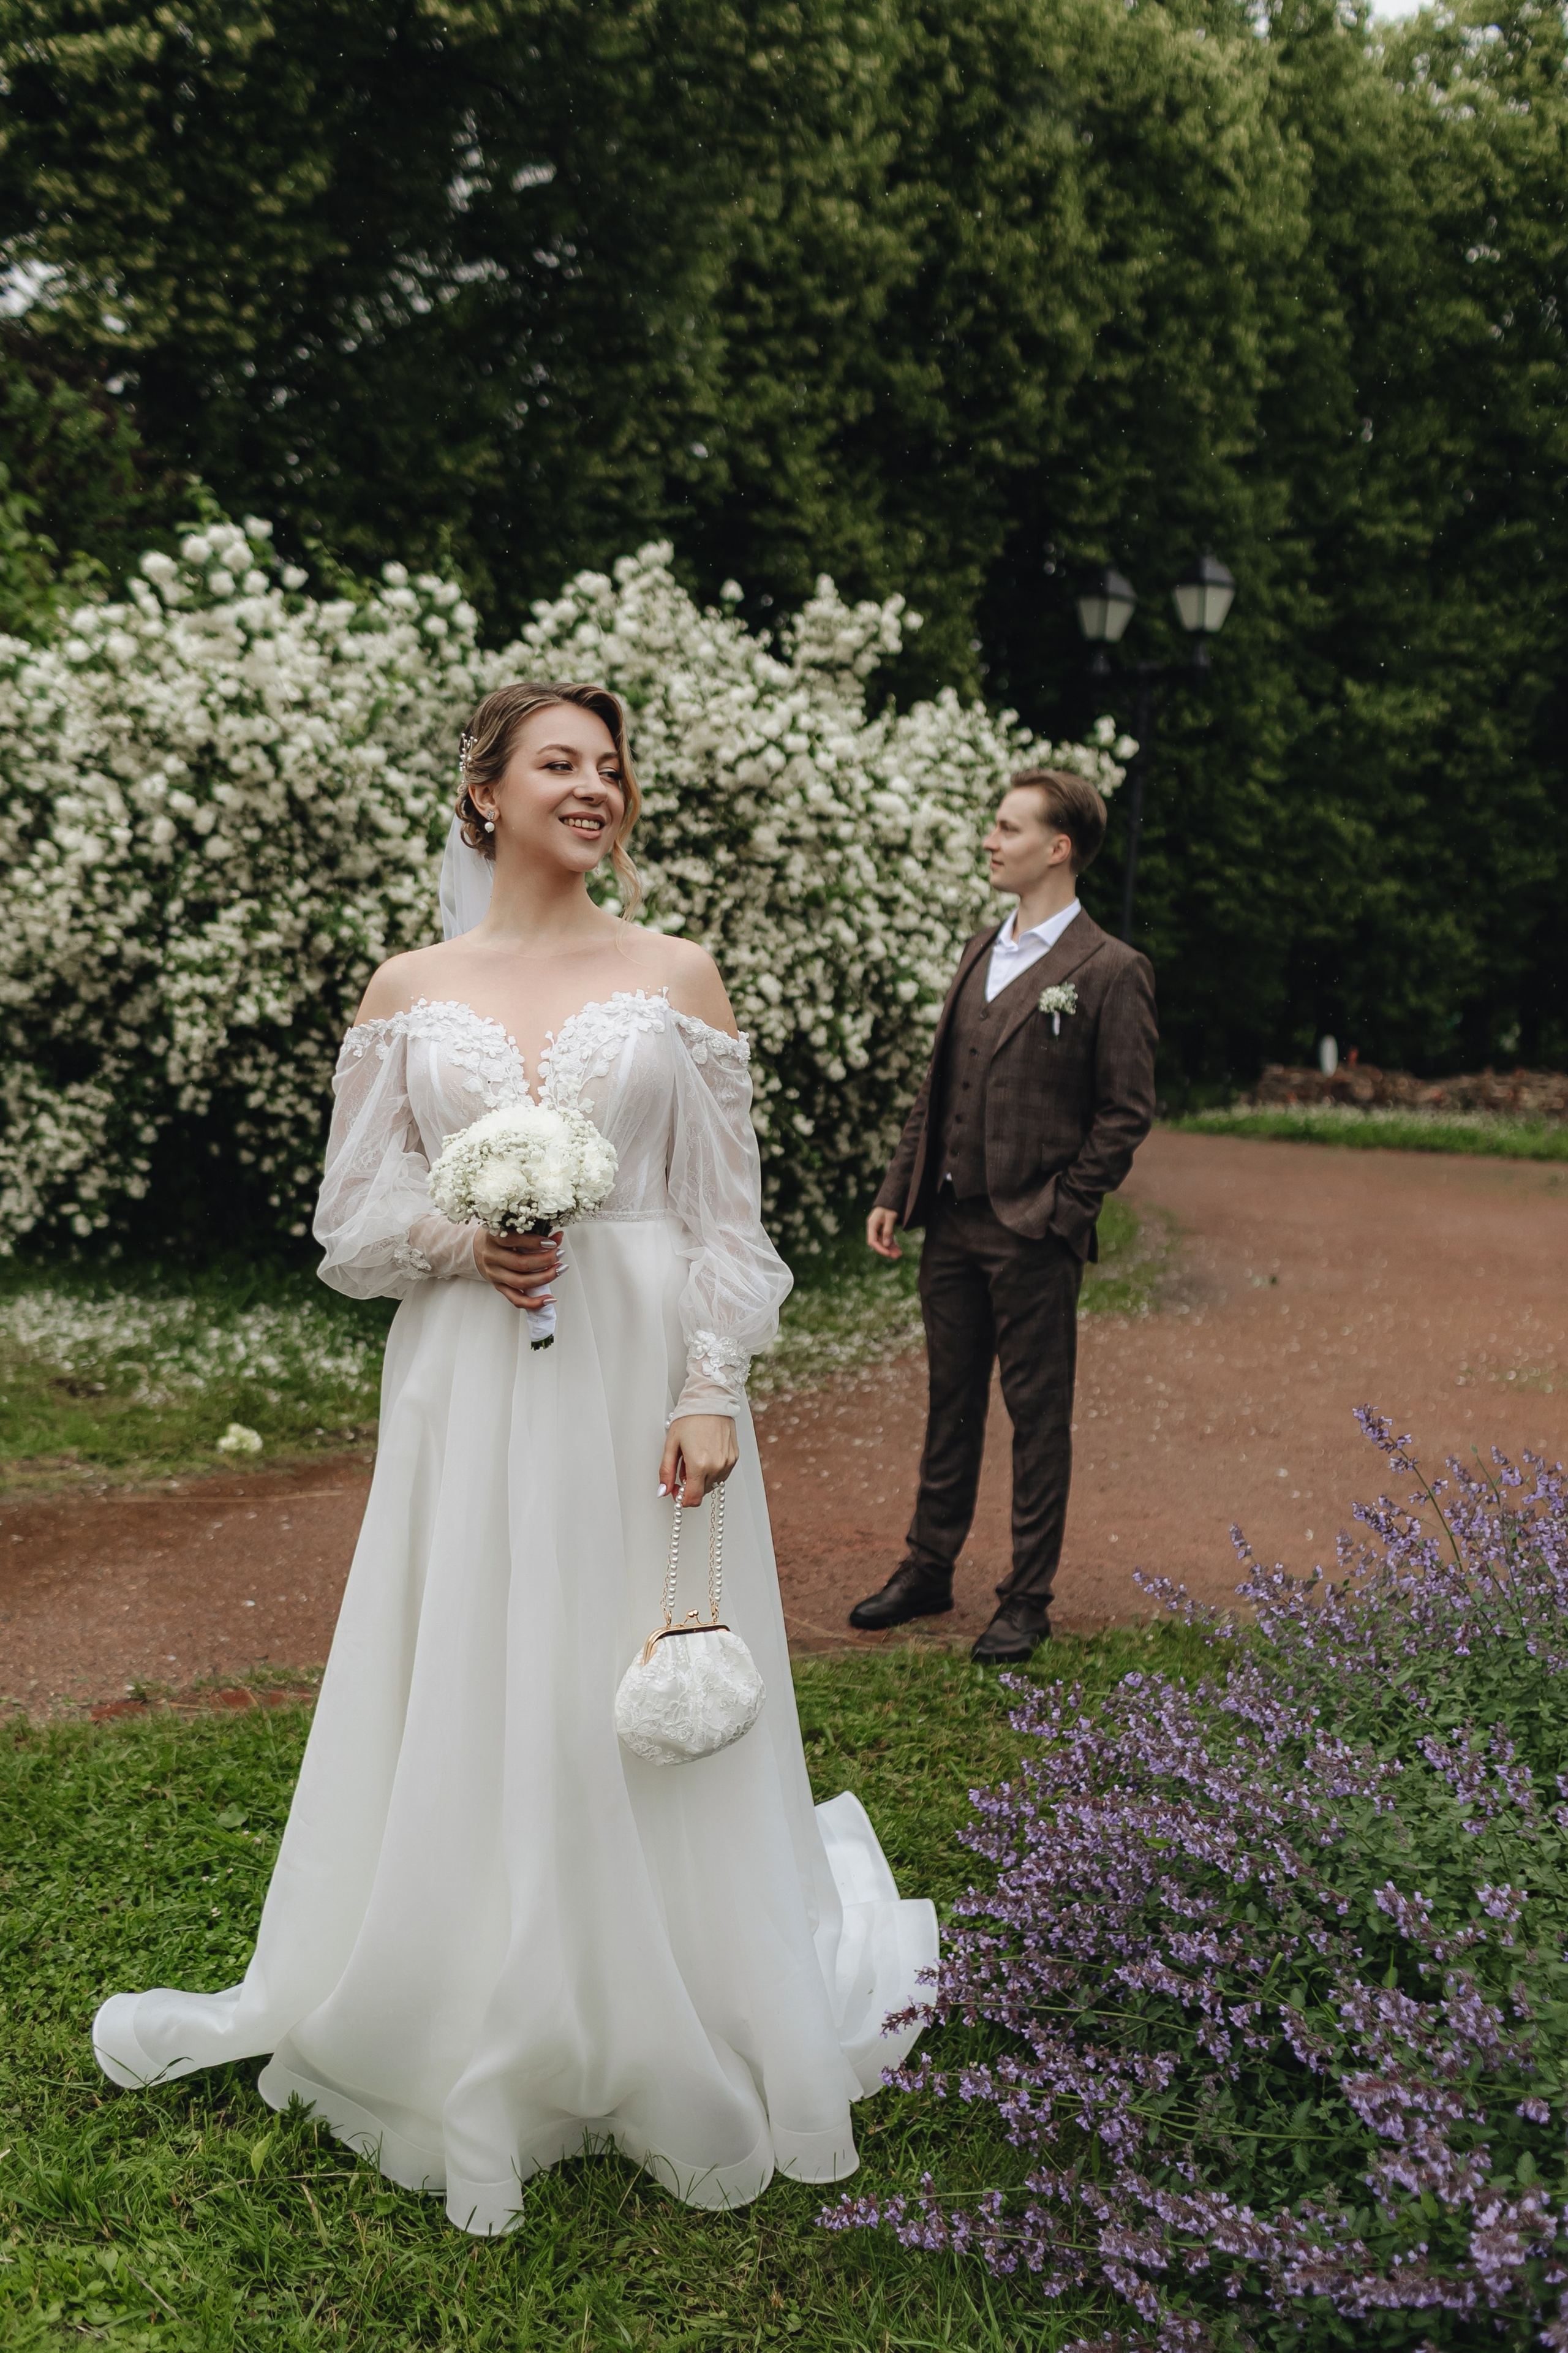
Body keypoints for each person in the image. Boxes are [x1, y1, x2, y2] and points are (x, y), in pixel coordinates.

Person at [91, 681, 937, 2234]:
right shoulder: (409, 986)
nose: (594, 785)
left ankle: (662, 1987)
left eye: (612, 765)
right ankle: (470, 1980)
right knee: (481, 1652)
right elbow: (351, 1225)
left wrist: (707, 1386)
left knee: (625, 1658)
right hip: (467, 1377)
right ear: (483, 793)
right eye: (560, 762)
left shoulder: (679, 977)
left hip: (639, 1379)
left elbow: (725, 1224)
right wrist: (458, 1238)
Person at [850, 768, 1157, 1664]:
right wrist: (895, 1190)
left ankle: (1026, 1597)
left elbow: (1126, 1111)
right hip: (948, 1221)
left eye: (1008, 827)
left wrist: (1063, 1208)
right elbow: (938, 1084)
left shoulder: (1110, 970)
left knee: (1036, 1416)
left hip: (1033, 1232)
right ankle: (929, 1566)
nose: (991, 840)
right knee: (951, 1404)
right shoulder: (983, 948)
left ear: (1058, 848)